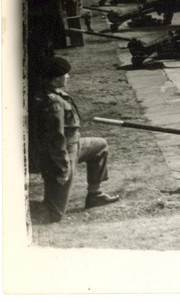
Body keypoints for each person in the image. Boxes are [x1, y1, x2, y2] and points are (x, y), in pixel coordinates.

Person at [39, 56, 120, 222]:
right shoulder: (53, 102)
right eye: (65, 74)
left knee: (100, 146)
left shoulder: (57, 94)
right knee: (54, 213)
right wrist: (62, 168)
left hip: (75, 145)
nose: (68, 76)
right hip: (63, 154)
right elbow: (56, 138)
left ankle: (95, 195)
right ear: (56, 78)